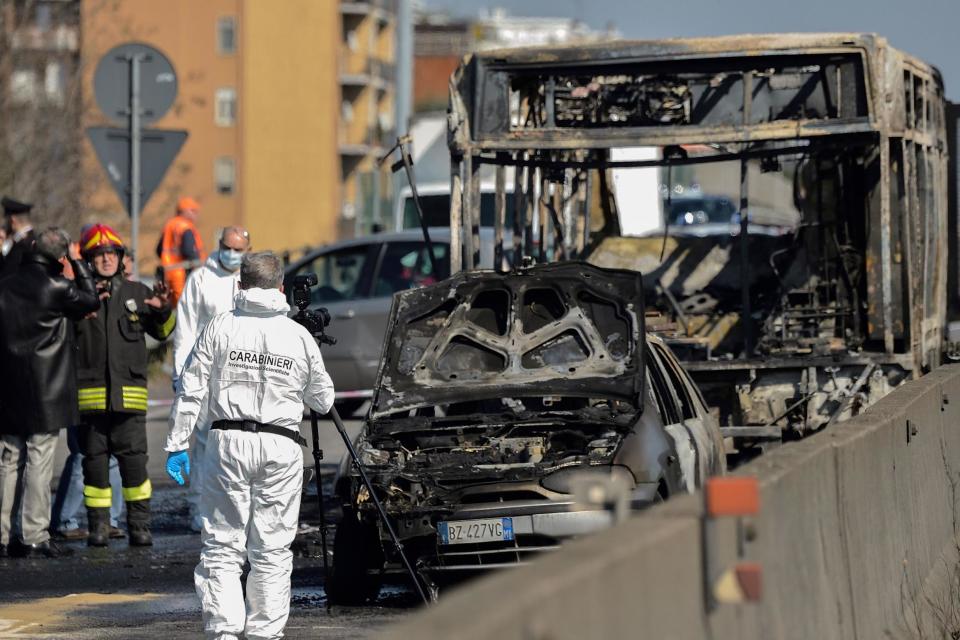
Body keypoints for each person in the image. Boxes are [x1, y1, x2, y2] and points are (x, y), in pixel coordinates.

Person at [166, 252, 334, 640]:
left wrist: (177, 443)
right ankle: (264, 635)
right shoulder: (297, 335)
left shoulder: (220, 327)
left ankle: (224, 632)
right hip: (281, 445)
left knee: (223, 546)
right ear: (280, 288)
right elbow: (324, 401)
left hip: (228, 444)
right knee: (272, 551)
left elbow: (191, 389)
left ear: (239, 286)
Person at [0, 228, 99, 558]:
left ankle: (2, 534)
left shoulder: (6, 285)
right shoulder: (57, 287)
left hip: (9, 386)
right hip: (45, 388)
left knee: (9, 460)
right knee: (39, 460)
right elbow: (90, 300)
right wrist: (78, 263)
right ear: (59, 257)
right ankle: (34, 532)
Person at [75, 223, 175, 547]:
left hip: (128, 397)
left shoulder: (138, 293)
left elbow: (162, 334)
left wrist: (164, 312)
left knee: (135, 465)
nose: (106, 260)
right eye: (99, 254)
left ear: (120, 258)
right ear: (90, 260)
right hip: (91, 399)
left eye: (111, 254)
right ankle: (99, 527)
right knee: (95, 467)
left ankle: (139, 526)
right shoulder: (78, 296)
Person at [172, 225, 251, 532]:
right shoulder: (201, 279)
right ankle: (199, 507)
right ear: (219, 245)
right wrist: (181, 373)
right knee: (205, 443)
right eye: (228, 247)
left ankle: (235, 509)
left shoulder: (249, 280)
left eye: (239, 249)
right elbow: (186, 329)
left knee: (239, 444)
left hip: (241, 374)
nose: (232, 254)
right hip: (205, 372)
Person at [157, 196, 205, 305]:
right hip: (183, 274)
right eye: (193, 211)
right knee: (185, 306)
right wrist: (198, 267)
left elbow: (159, 249)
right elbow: (189, 251)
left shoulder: (170, 224)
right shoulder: (185, 227)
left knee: (170, 305)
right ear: (183, 211)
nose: (196, 214)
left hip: (168, 273)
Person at [0, 196, 36, 277]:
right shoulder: (20, 241)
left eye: (6, 220)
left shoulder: (24, 244)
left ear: (12, 220)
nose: (4, 224)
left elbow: (7, 275)